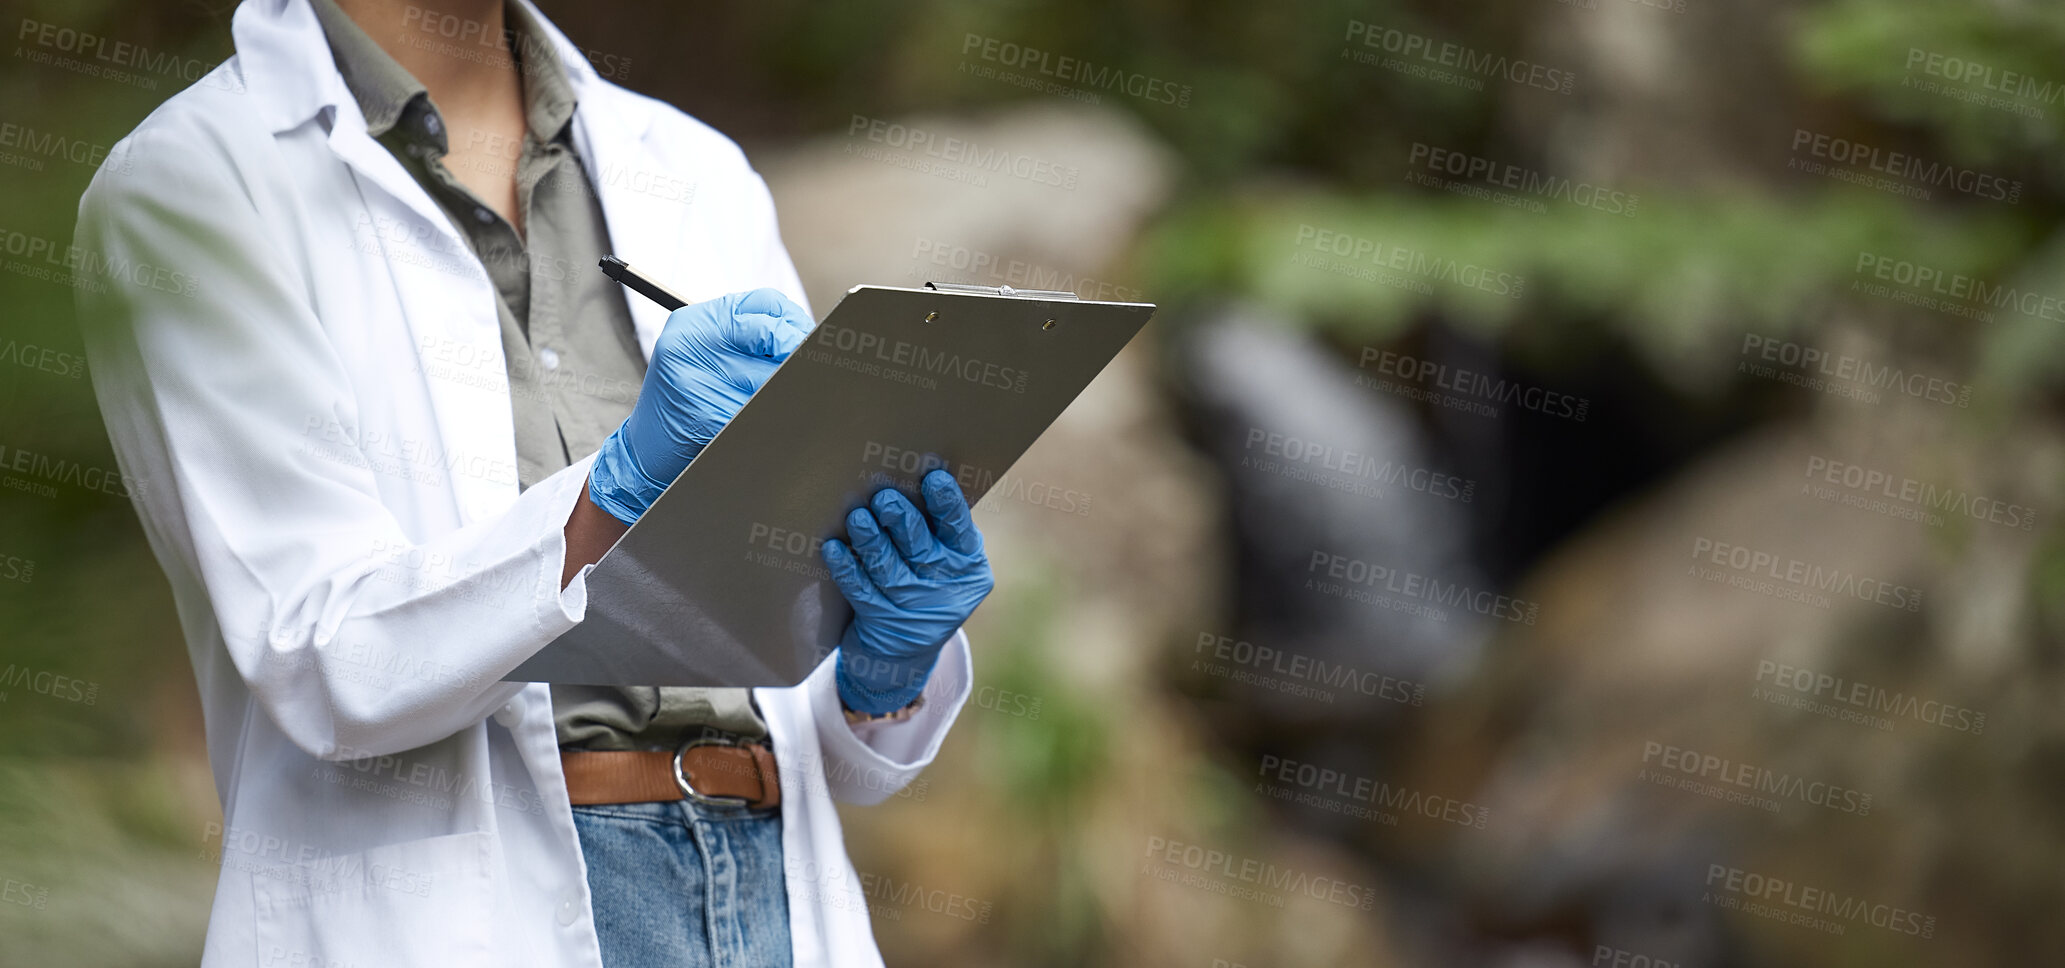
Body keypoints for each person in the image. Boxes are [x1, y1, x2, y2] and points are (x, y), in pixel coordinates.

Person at [72, 0, 992, 965]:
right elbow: (323, 657)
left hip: (770, 888)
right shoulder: (189, 190)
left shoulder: (697, 170)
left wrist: (880, 670)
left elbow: (791, 680)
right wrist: (615, 492)